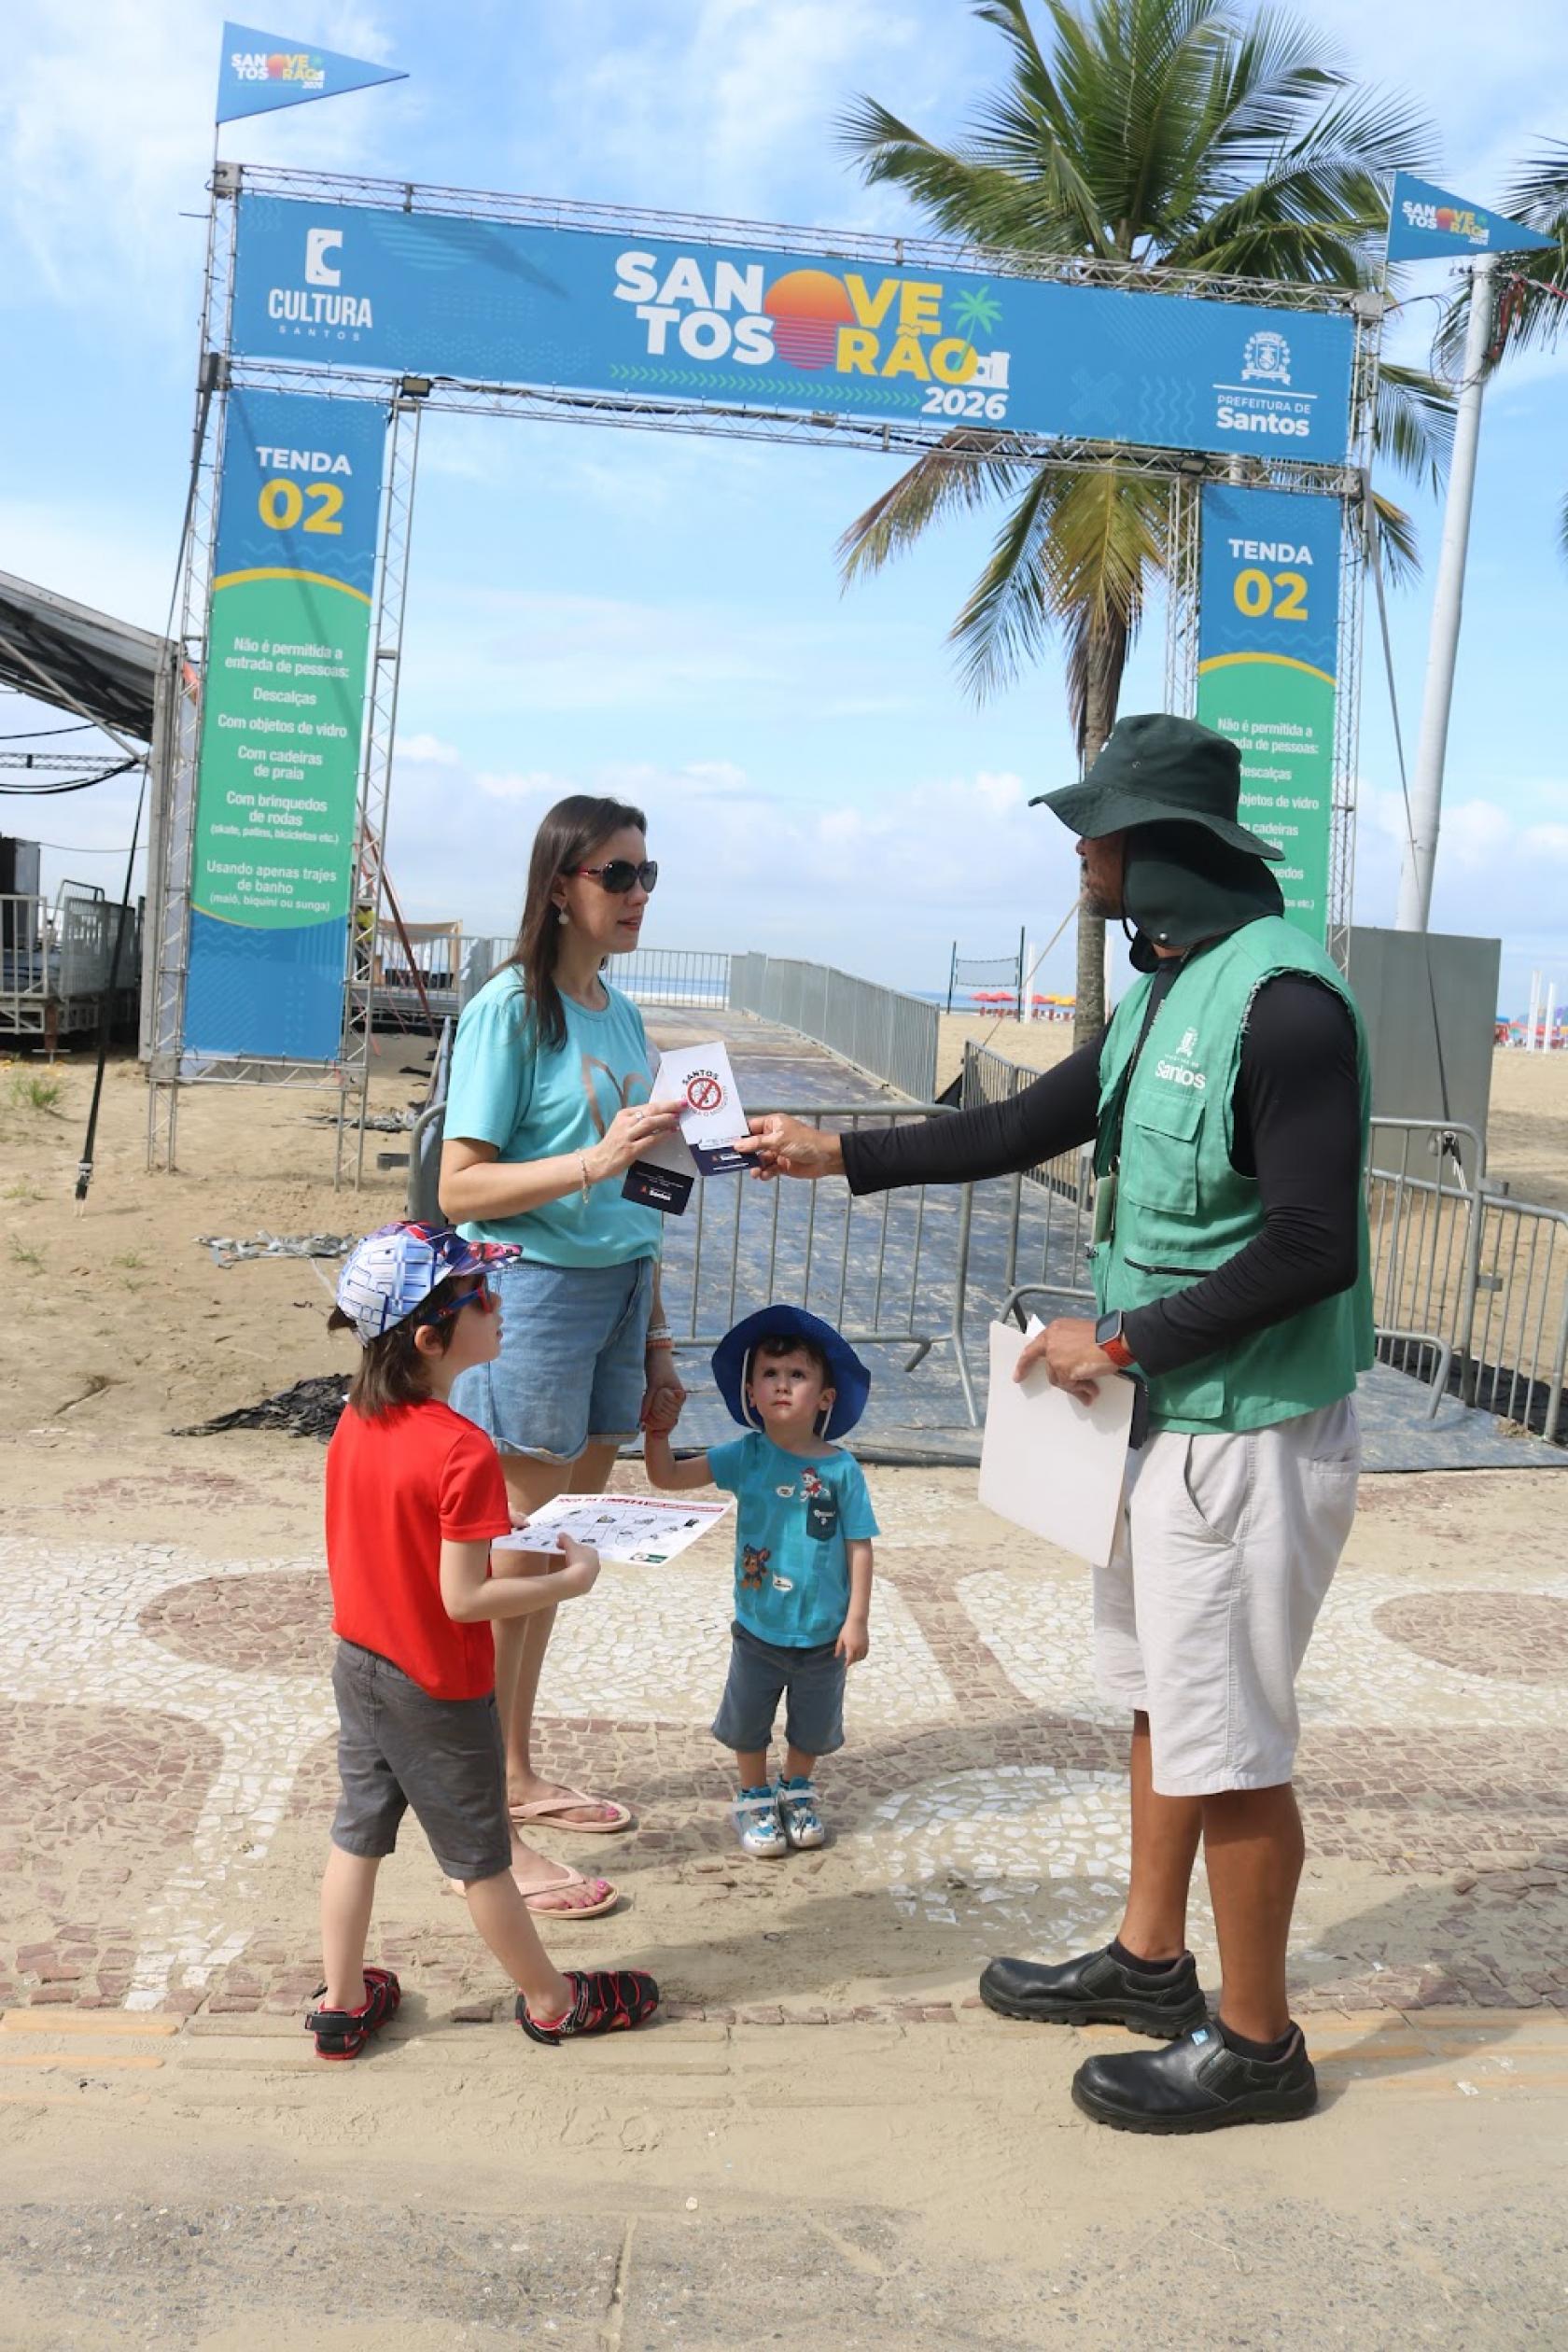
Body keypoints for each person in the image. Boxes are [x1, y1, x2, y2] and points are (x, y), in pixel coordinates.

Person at [741, 713, 1373, 2134]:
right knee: (1169, 1699)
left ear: (1172, 846)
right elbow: (1019, 1126)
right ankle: (1151, 1966)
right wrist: (836, 1151)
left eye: (1101, 828)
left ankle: (1259, 2046)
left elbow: (1314, 1245)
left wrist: (1125, 1339)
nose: (1082, 852)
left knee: (1236, 1743)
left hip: (1246, 1436)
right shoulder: (1168, 989)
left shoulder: (1286, 1010)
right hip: (1164, 1425)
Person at [309, 1221, 659, 2057]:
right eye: (480, 1297)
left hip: (361, 1663)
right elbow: (464, 1598)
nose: (500, 1305)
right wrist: (568, 1579)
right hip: (437, 1685)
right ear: (431, 1340)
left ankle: (342, 2002)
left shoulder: (356, 1419)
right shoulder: (461, 1447)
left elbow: (401, 1532)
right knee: (481, 1860)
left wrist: (498, 1526)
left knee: (357, 1836)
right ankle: (552, 2001)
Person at [439, 795, 686, 1918]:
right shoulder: (511, 1011)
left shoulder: (621, 1017)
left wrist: (659, 1337)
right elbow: (461, 1186)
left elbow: (648, 1191)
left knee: (551, 1558)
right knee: (510, 1565)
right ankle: (479, 1822)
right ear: (559, 886)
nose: (638, 894)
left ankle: (513, 1769)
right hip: (534, 1296)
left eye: (646, 875)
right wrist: (594, 1159)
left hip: (618, 1291)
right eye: (616, 875)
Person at [643, 1306, 878, 1858]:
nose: (782, 1385)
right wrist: (658, 1432)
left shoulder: (842, 1470)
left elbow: (859, 1544)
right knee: (748, 1720)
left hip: (824, 1634)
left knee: (813, 1726)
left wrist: (857, 1619)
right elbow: (667, 1476)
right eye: (770, 1374)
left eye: (797, 1375)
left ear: (826, 1397)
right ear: (751, 1393)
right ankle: (752, 1796)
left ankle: (796, 1790)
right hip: (757, 1629)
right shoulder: (745, 1456)